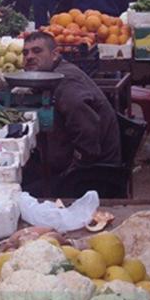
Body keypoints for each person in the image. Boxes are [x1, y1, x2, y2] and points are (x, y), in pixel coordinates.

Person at [19, 32, 122, 197]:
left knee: (22, 195)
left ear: (54, 55)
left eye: (37, 51)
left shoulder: (66, 82)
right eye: (26, 53)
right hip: (67, 161)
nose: (29, 56)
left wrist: (73, 169)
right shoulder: (52, 76)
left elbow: (88, 132)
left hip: (93, 174)